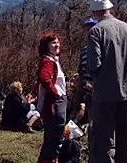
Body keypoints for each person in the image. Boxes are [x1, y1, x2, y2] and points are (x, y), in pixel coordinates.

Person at [78, 0, 127, 163]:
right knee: (126, 138)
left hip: (104, 94)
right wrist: (126, 72)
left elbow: (93, 64)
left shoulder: (96, 31)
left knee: (103, 140)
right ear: (110, 9)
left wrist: (95, 81)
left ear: (93, 12)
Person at [40, 32, 70, 163]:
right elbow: (44, 78)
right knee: (54, 138)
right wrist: (56, 92)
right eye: (53, 43)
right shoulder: (47, 61)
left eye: (57, 42)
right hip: (55, 103)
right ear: (46, 46)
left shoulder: (53, 60)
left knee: (53, 139)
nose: (57, 44)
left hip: (58, 101)